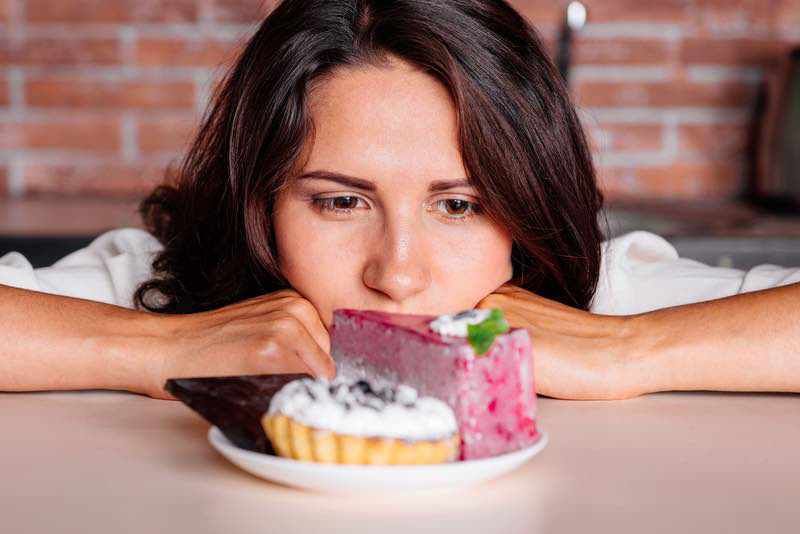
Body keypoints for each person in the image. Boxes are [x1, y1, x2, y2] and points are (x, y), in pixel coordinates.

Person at [1, 0, 798, 401]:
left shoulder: (595, 305)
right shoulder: (170, 293)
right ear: (261, 205)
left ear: (525, 211)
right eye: (341, 204)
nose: (399, 275)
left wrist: (626, 352)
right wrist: (157, 351)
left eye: (459, 207)